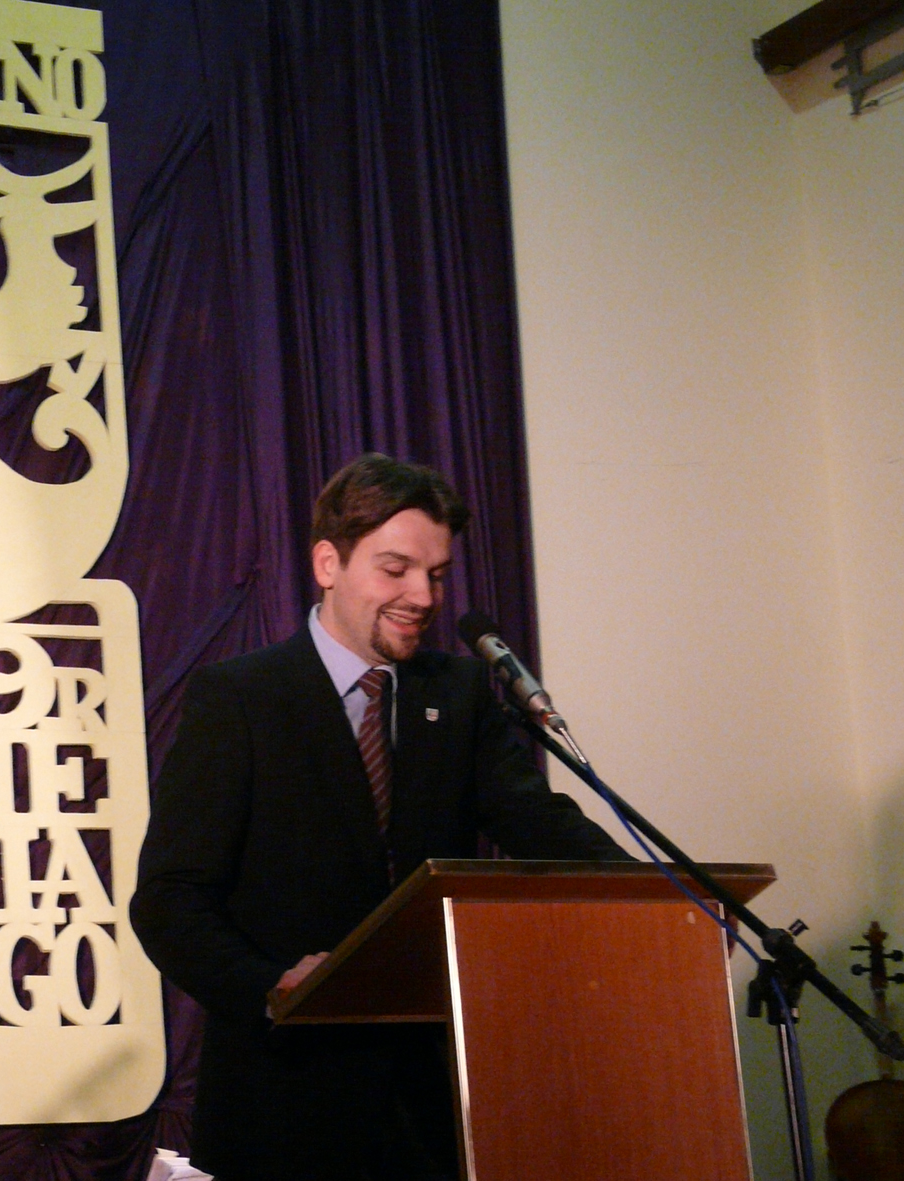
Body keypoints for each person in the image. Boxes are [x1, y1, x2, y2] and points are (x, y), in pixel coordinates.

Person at [130, 453, 630, 1180]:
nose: (422, 596)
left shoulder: (458, 693)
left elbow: (543, 825)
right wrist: (272, 986)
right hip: (283, 1103)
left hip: (432, 1112)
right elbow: (169, 900)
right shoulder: (239, 698)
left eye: (436, 574)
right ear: (327, 563)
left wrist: (661, 897)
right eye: (396, 569)